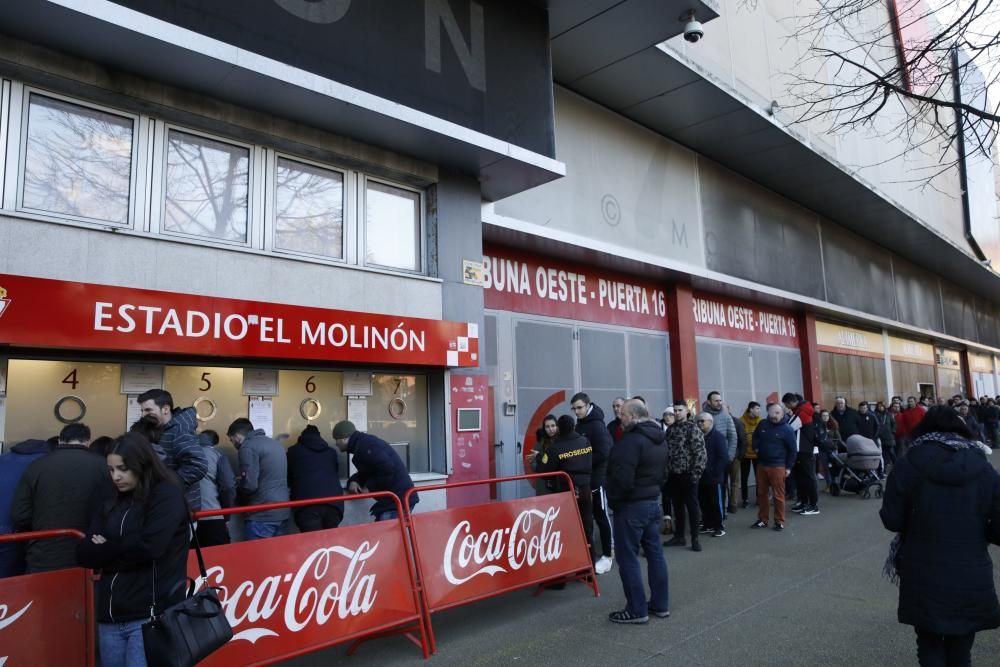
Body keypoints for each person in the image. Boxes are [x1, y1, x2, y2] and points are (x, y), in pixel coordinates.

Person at [880, 406, 1000, 666]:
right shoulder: (982, 466)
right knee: (962, 647)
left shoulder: (908, 462)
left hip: (922, 566)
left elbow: (891, 519)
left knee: (929, 642)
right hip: (971, 567)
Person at [76, 432, 189, 667]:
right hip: (110, 615)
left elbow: (150, 548)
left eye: (123, 469)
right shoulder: (111, 497)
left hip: (150, 616)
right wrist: (123, 549)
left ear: (142, 464)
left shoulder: (166, 493)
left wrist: (106, 549)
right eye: (111, 469)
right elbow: (85, 553)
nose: (115, 476)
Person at [11, 423, 112, 573]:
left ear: (60, 441)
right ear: (88, 442)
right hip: (89, 555)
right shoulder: (105, 466)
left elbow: (20, 515)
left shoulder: (37, 466)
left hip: (43, 555)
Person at [605, 399, 669, 624]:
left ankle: (636, 609)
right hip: (652, 502)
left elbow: (622, 478)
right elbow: (664, 473)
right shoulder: (659, 439)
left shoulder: (630, 441)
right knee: (655, 554)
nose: (619, 417)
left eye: (622, 413)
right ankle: (660, 604)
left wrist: (615, 501)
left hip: (631, 506)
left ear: (632, 416)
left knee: (627, 557)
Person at [332, 420, 418, 520]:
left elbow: (387, 468)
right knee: (385, 531)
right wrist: (354, 480)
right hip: (397, 498)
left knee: (386, 533)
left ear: (345, 439)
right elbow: (370, 471)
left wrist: (369, 488)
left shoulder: (365, 446)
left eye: (336, 439)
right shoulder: (362, 444)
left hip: (399, 499)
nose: (336, 444)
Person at [137, 389, 207, 511]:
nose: (143, 415)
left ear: (165, 409)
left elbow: (197, 466)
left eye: (148, 410)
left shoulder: (180, 430)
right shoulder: (160, 429)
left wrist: (167, 486)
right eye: (142, 410)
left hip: (178, 508)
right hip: (166, 504)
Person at [540, 415, 594, 567]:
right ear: (573, 427)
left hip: (566, 491)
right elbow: (590, 459)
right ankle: (589, 568)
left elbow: (545, 471)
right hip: (585, 489)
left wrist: (540, 459)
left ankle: (565, 569)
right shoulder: (585, 441)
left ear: (559, 428)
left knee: (564, 530)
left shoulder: (556, 447)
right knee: (587, 528)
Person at [571, 392, 614, 575]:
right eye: (574, 409)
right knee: (589, 516)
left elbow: (604, 452)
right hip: (586, 479)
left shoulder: (597, 426)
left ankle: (607, 555)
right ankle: (590, 554)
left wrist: (583, 463)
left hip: (597, 478)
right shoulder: (580, 424)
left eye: (579, 407)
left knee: (601, 515)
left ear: (588, 405)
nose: (577, 411)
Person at [227, 418, 290, 539]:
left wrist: (238, 487)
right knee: (278, 555)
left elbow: (250, 485)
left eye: (231, 440)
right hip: (282, 510)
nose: (233, 443)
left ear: (237, 436)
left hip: (262, 513)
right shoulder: (275, 444)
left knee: (257, 556)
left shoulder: (247, 447)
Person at [0, 438, 53, 578]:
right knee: (8, 585)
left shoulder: (5, 457)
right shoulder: (43, 463)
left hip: (6, 530)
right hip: (10, 533)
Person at [664, 400, 707, 551]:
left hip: (688, 474)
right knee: (677, 506)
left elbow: (700, 453)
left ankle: (695, 538)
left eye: (679, 410)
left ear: (686, 411)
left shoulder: (692, 429)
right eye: (674, 411)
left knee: (692, 506)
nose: (676, 413)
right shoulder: (670, 430)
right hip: (674, 474)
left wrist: (696, 474)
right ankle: (679, 536)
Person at [286, 424, 346, 532]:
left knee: (312, 545)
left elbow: (289, 477)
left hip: (307, 506)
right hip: (333, 504)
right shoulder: (331, 452)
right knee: (329, 544)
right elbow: (335, 472)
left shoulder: (293, 451)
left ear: (301, 438)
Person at [750, 403, 797, 532]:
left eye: (777, 413)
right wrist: (756, 447)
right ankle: (763, 519)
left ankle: (779, 521)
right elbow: (755, 437)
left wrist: (788, 467)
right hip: (762, 465)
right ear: (768, 412)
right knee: (762, 494)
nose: (774, 415)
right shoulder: (762, 424)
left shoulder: (787, 429)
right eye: (772, 412)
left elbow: (793, 450)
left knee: (778, 495)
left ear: (782, 414)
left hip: (778, 466)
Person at [195, 429, 236, 546]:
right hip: (211, 516)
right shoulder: (217, 455)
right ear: (214, 442)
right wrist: (226, 514)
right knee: (218, 560)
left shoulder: (184, 452)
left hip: (186, 518)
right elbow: (228, 487)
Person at [784, 393, 819, 516]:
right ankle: (804, 502)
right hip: (804, 449)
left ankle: (813, 505)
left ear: (789, 402)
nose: (786, 407)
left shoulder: (801, 413)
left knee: (807, 477)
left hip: (803, 450)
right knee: (801, 478)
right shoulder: (804, 410)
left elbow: (787, 428)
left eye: (786, 405)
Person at [695, 413, 728, 538]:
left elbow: (723, 457)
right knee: (703, 501)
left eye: (702, 421)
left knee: (715, 502)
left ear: (710, 422)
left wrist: (715, 472)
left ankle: (719, 526)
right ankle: (707, 524)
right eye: (698, 421)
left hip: (714, 477)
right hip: (701, 476)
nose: (699, 423)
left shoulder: (717, 437)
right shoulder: (699, 436)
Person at [739, 402, 762, 509]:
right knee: (744, 477)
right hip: (745, 454)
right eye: (757, 408)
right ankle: (745, 499)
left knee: (759, 477)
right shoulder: (741, 420)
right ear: (751, 409)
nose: (759, 411)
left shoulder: (761, 421)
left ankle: (759, 498)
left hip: (757, 454)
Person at [530, 415, 559, 495]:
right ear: (544, 428)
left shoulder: (562, 441)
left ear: (557, 426)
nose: (550, 429)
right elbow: (533, 463)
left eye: (553, 426)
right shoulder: (540, 443)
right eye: (547, 427)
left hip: (559, 482)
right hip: (543, 483)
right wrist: (539, 465)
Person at [729, 411, 747, 514]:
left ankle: (733, 504)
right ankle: (728, 504)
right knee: (726, 482)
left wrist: (740, 456)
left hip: (735, 457)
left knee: (734, 482)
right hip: (725, 457)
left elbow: (743, 440)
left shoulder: (737, 422)